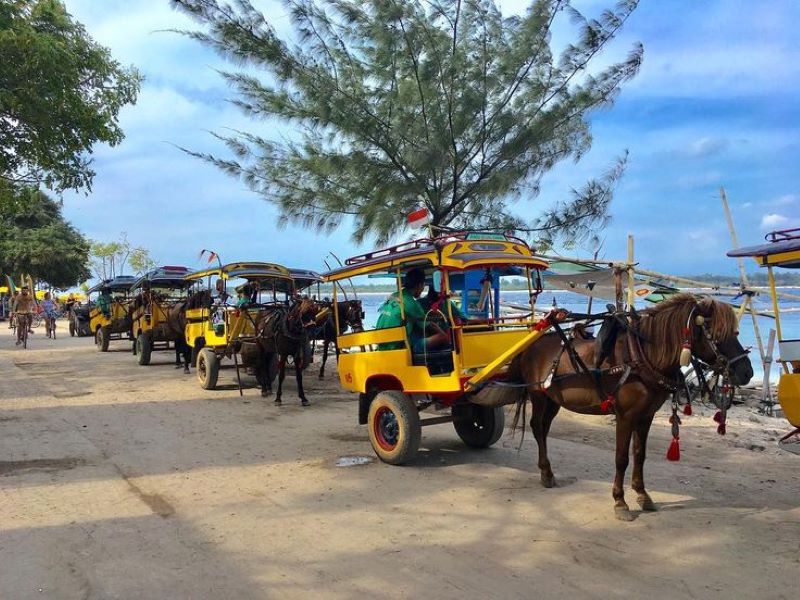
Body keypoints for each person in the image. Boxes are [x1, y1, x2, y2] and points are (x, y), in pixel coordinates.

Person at [375, 268, 450, 352]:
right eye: (423, 286)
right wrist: (445, 337)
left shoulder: (395, 295)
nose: (422, 290)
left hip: (381, 343)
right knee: (442, 337)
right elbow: (429, 325)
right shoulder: (411, 303)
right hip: (396, 347)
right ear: (419, 285)